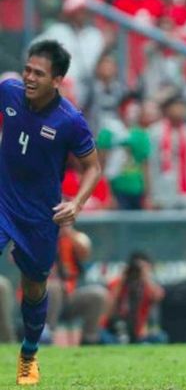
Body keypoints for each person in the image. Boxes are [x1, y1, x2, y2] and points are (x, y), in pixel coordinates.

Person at [0, 40, 101, 385]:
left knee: (34, 288)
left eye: (38, 73)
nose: (28, 77)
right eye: (27, 69)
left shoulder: (70, 120)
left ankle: (28, 354)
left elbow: (93, 167)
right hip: (2, 200)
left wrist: (76, 203)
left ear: (56, 80)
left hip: (41, 215)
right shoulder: (9, 92)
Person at [45, 225, 108, 346]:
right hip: (40, 297)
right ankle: (46, 336)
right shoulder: (36, 233)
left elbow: (85, 250)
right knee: (54, 287)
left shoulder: (72, 237)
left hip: (68, 297)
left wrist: (67, 231)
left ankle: (89, 341)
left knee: (98, 295)